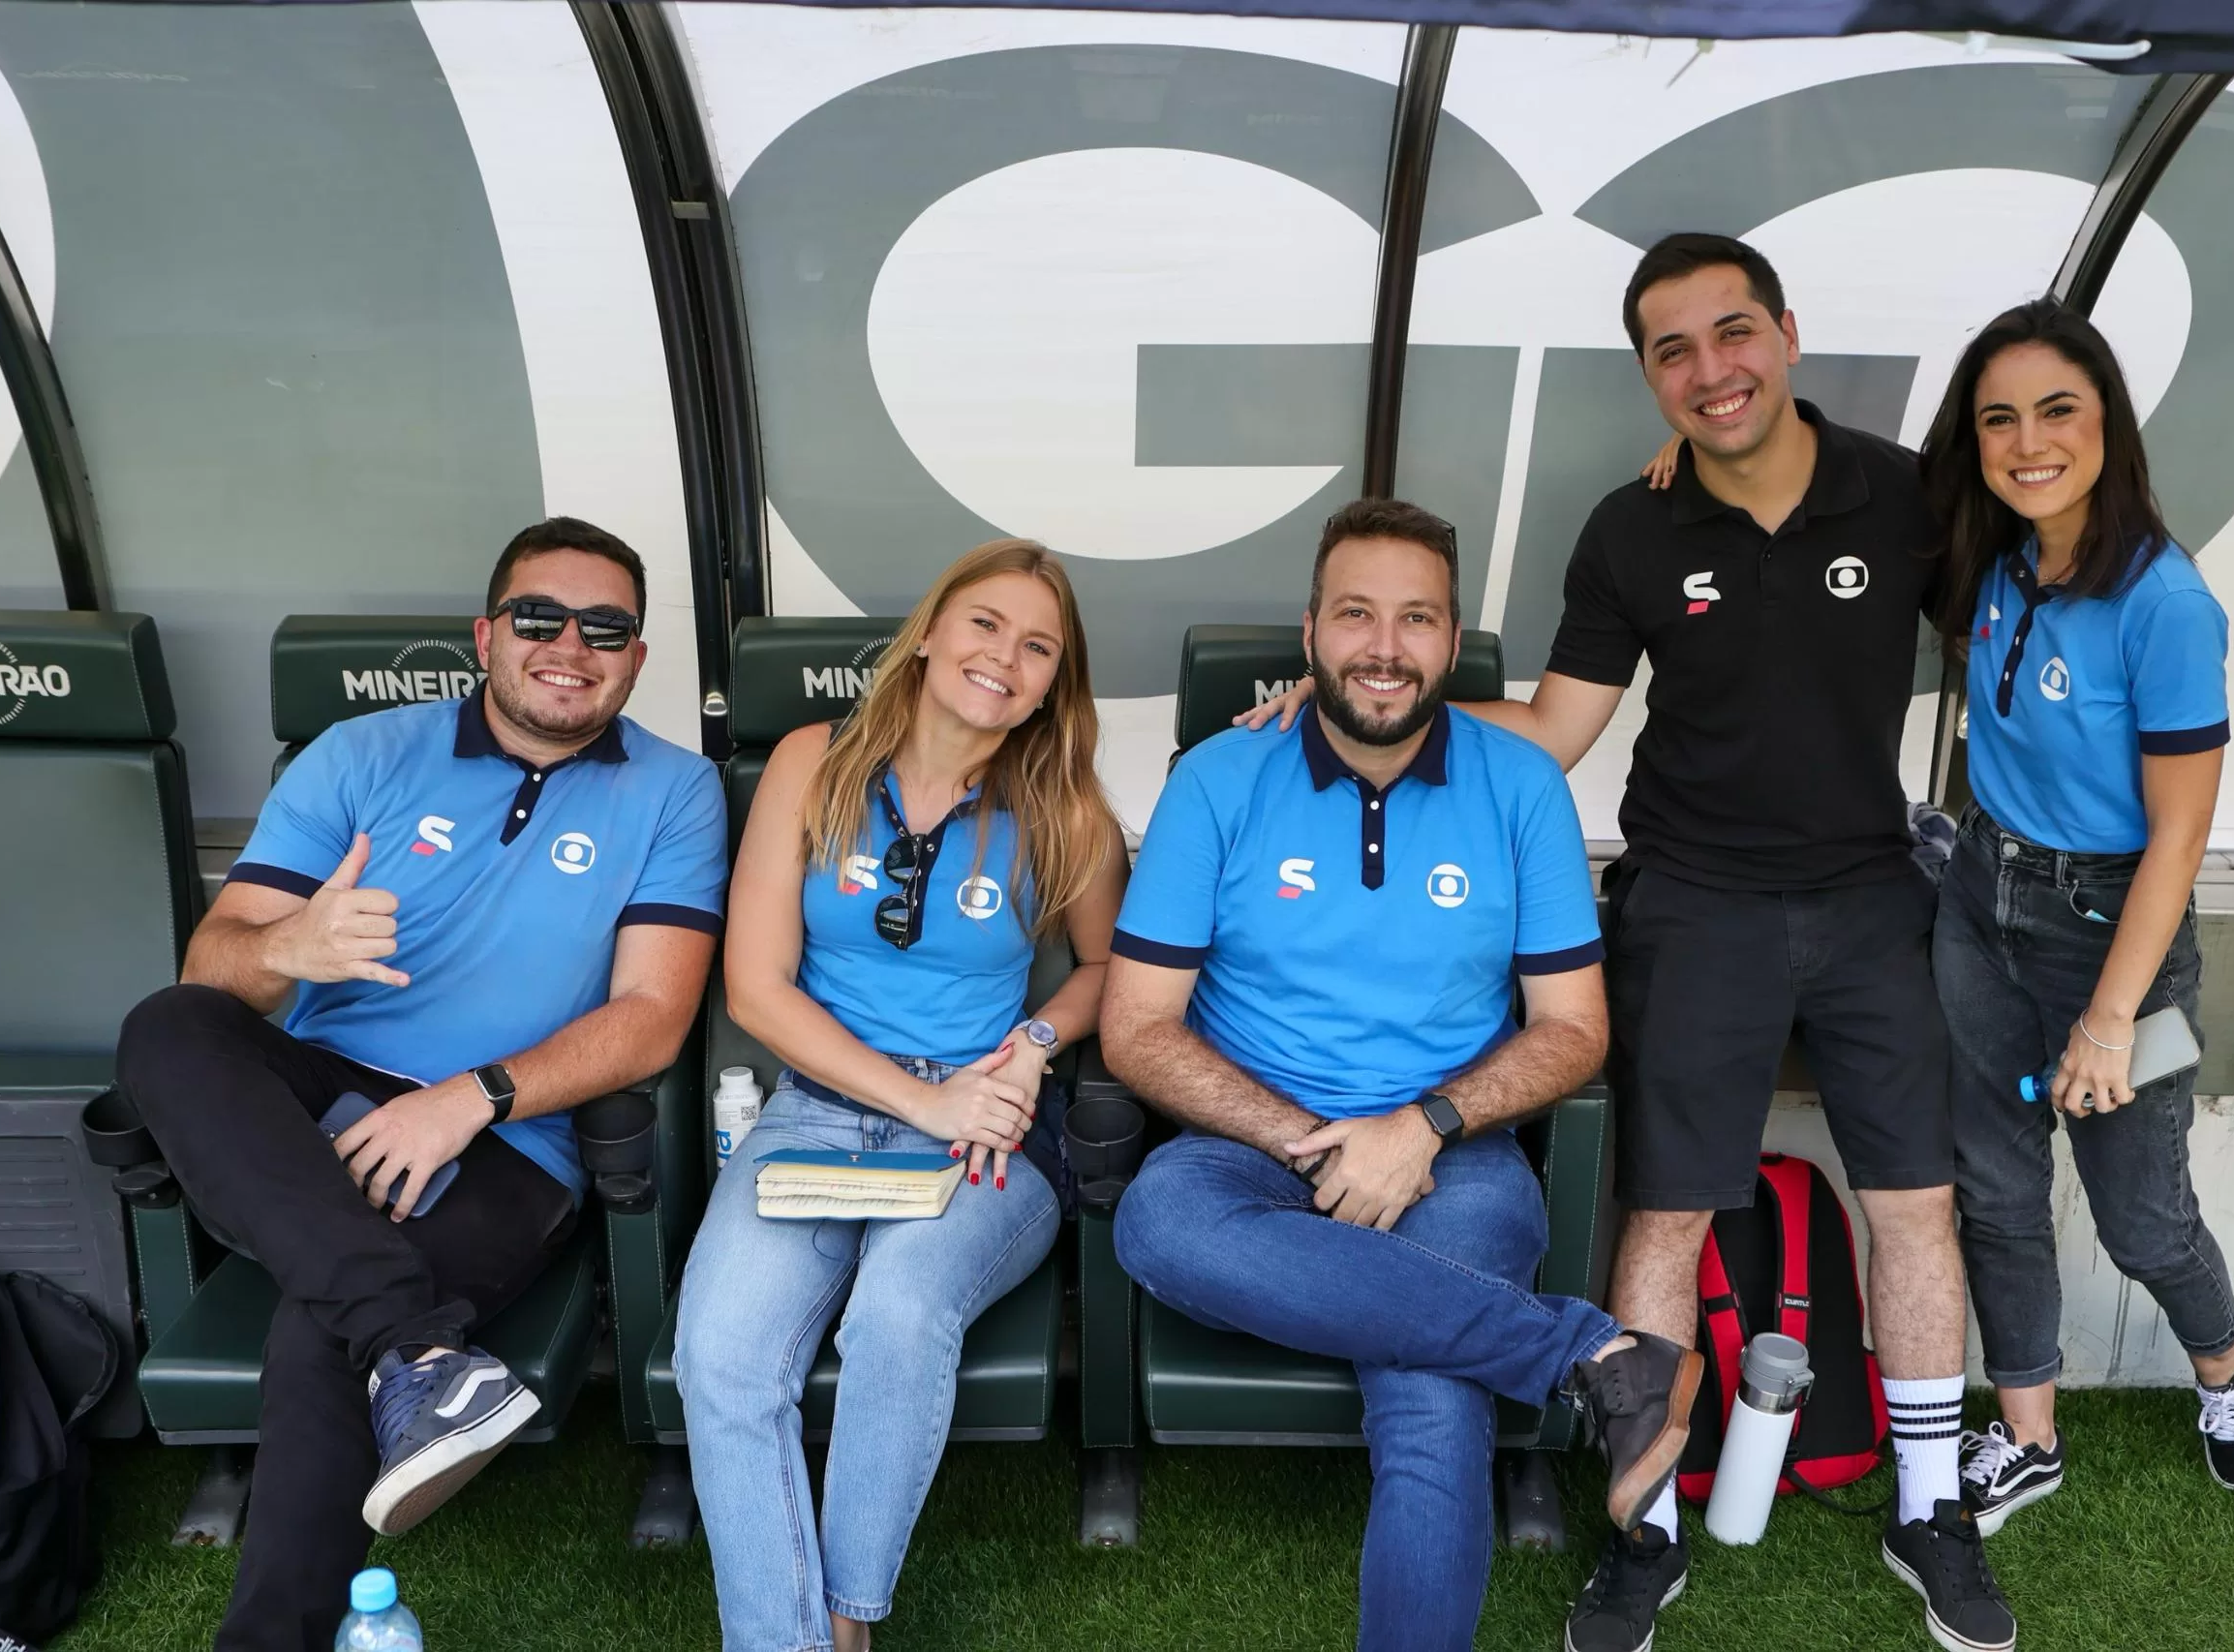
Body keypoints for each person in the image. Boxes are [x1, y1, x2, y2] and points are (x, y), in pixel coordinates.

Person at [1242, 235, 2013, 1652]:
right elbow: (1552, 729)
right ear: (1651, 376)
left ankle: (1930, 1509)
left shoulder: (1906, 494)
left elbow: (2020, 627)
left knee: (1915, 1204)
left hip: (1870, 898)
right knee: (1666, 1212)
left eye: (1733, 333)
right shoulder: (1634, 527)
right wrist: (1352, 691)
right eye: (1674, 350)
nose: (1711, 370)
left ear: (1786, 333)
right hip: (1693, 900)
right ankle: (1645, 1531)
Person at [115, 518, 726, 1652]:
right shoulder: (360, 753)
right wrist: (291, 944)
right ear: (486, 636)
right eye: (540, 617)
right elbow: (216, 963)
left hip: (507, 1136)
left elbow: (652, 1015)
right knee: (169, 1021)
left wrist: (466, 1098)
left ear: (637, 658)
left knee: (320, 1321)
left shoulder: (675, 790)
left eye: (606, 629)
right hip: (318, 1098)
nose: (571, 646)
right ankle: (417, 1350)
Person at [1106, 497, 1702, 1652]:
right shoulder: (1218, 779)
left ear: (1452, 637)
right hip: (1247, 1146)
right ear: (1310, 631)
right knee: (1155, 1220)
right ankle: (1590, 1355)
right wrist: (1311, 1141)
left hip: (1454, 1154)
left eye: (1416, 617)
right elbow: (1135, 1025)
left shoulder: (1520, 784)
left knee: (1432, 1400)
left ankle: (1583, 1361)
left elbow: (1574, 1028)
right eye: (1355, 614)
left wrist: (1422, 1124)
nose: (1384, 646)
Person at [675, 539, 1127, 1652]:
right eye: (985, 624)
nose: (1004, 657)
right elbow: (755, 986)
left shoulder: (1065, 805)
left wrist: (1031, 1043)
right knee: (721, 1354)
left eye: (1038, 648)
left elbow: (1110, 971)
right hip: (815, 1111)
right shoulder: (810, 761)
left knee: (898, 1312)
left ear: (1051, 685)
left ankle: (844, 1627)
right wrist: (915, 1103)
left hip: (987, 1125)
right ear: (927, 634)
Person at [1921, 300, 2234, 1533]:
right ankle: (2028, 1436)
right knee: (1994, 1187)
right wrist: (1693, 453)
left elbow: (2179, 833)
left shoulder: (2165, 602)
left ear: (2108, 422)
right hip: (1981, 898)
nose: (2028, 441)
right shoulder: (1993, 552)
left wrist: (2112, 1017)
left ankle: (2226, 1360)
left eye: (2056, 409)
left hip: (2119, 935)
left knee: (2141, 1218)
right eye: (1998, 418)